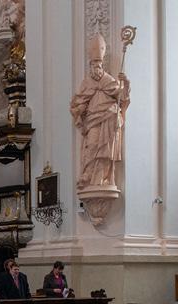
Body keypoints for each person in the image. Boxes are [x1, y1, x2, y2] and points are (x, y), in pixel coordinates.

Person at [70, 34, 130, 189]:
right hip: (92, 120)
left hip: (107, 119)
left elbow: (122, 97)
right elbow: (79, 101)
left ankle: (102, 178)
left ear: (102, 65)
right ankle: (87, 175)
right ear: (90, 65)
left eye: (98, 64)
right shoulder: (86, 83)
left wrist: (125, 83)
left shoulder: (108, 80)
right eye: (94, 64)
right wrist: (79, 109)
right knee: (92, 145)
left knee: (105, 148)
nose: (96, 67)